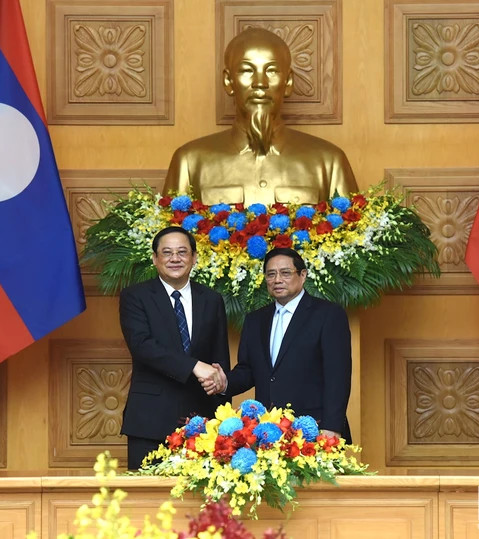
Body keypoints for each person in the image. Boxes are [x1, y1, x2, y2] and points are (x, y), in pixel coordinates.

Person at [162, 27, 357, 207]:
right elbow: (168, 238)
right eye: (247, 70)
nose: (260, 83)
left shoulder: (330, 162)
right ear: (228, 81)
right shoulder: (190, 161)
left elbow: (354, 240)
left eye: (271, 70)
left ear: (288, 81)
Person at [205, 247, 352, 441]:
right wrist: (224, 383)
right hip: (267, 431)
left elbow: (338, 376)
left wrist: (331, 426)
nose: (277, 280)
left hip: (314, 429)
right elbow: (248, 370)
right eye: (271, 274)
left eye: (285, 273)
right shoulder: (255, 320)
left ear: (303, 275)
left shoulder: (328, 315)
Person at [119, 226, 230, 469]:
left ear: (194, 257)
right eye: (167, 252)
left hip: (204, 423)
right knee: (147, 501)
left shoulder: (211, 299)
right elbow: (142, 346)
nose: (175, 258)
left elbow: (219, 357)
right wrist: (194, 366)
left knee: (201, 503)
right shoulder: (135, 296)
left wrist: (222, 386)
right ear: (154, 258)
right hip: (150, 420)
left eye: (182, 252)